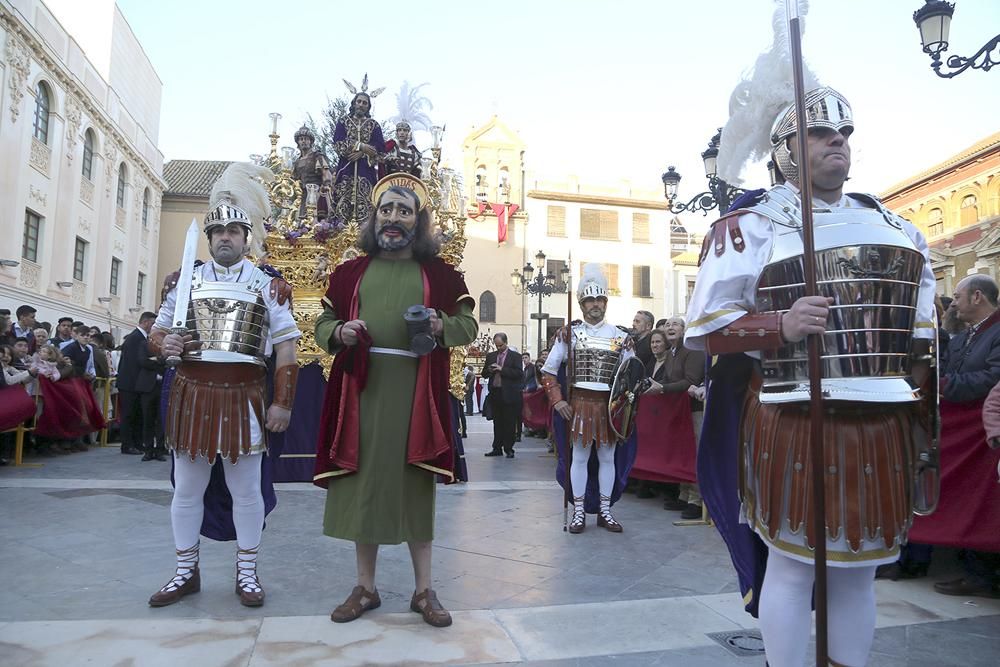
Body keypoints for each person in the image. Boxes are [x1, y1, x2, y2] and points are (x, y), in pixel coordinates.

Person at [686, 86, 937, 667]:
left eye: (844, 134)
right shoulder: (748, 228)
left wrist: (922, 417)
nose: (838, 144)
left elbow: (921, 336)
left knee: (860, 570)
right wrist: (780, 323)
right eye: (822, 134)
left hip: (881, 418)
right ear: (786, 150)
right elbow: (706, 330)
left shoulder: (895, 228)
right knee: (795, 566)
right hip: (792, 412)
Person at [313, 173, 476, 627]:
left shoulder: (440, 275)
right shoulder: (348, 274)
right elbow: (321, 323)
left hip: (415, 393)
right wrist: (339, 331)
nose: (393, 218)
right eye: (386, 209)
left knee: (413, 486)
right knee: (364, 485)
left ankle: (424, 590)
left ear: (418, 220)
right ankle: (365, 587)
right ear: (375, 216)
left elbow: (468, 327)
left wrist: (441, 325)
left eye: (404, 211)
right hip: (361, 392)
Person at [146, 162, 300, 609]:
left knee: (246, 490)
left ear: (247, 237)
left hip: (245, 397)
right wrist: (164, 343)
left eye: (235, 230)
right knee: (187, 488)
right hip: (191, 394)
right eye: (219, 232)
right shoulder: (185, 282)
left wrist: (283, 403)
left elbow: (287, 349)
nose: (226, 237)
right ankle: (184, 571)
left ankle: (248, 573)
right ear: (209, 239)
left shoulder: (268, 286)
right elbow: (157, 334)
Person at [906, 274, 1000, 598]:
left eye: (958, 296)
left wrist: (945, 387)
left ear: (977, 297)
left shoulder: (996, 332)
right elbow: (947, 369)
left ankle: (983, 572)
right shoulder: (966, 335)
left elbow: (992, 377)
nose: (954, 302)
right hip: (961, 426)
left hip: (980, 434)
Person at [541, 263, 633, 534]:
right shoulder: (569, 335)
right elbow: (548, 371)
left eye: (600, 299)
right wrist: (558, 401)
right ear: (581, 303)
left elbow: (630, 377)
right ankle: (579, 510)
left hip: (609, 407)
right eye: (590, 300)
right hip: (579, 403)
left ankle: (605, 511)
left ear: (606, 302)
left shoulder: (621, 337)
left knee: (608, 458)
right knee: (579, 458)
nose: (595, 304)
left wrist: (623, 408)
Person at [652, 318, 705, 520]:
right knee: (683, 452)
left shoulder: (693, 349)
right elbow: (668, 379)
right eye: (667, 325)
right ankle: (684, 494)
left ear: (684, 330)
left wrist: (663, 388)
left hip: (695, 409)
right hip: (678, 411)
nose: (670, 327)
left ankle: (696, 500)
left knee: (695, 452)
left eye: (675, 324)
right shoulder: (671, 353)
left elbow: (690, 381)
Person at [333, 85, 386, 225]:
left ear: (368, 107)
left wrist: (362, 153)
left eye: (365, 103)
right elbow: (338, 143)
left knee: (366, 203)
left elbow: (380, 149)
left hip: (365, 171)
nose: (361, 105)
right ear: (354, 103)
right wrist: (361, 146)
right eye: (359, 101)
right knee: (342, 201)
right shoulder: (343, 122)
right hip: (346, 168)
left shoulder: (374, 125)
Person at [116, 311, 162, 458]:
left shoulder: (142, 337)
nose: (154, 327)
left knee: (137, 415)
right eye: (153, 323)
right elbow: (135, 362)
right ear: (147, 322)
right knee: (128, 415)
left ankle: (137, 443)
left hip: (136, 383)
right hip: (129, 382)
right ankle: (127, 444)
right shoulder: (135, 338)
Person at [482, 333, 523, 457]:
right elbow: (484, 373)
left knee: (509, 422)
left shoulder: (515, 356)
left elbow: (518, 374)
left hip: (510, 394)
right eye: (496, 345)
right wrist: (489, 370)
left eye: (500, 345)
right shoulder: (491, 356)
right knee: (497, 422)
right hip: (496, 393)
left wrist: (502, 369)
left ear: (506, 342)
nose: (498, 348)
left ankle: (509, 448)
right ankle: (497, 448)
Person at [292, 125, 334, 220]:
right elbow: (294, 180)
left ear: (310, 141)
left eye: (306, 139)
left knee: (315, 220)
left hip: (316, 193)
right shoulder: (297, 162)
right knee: (300, 220)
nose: (303, 141)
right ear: (298, 142)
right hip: (302, 196)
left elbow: (326, 175)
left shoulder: (317, 156)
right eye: (301, 139)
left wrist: (325, 188)